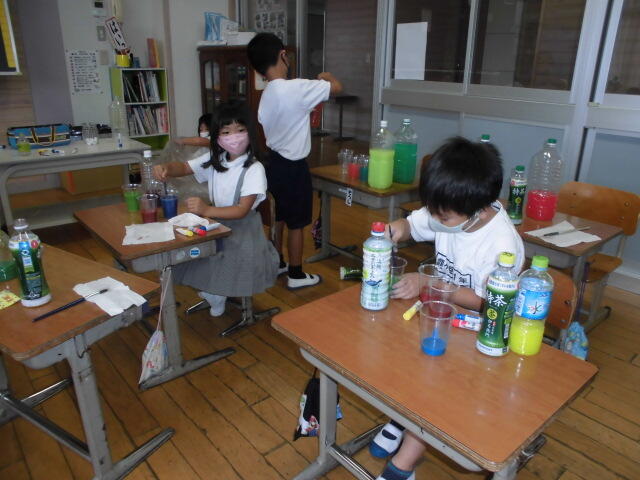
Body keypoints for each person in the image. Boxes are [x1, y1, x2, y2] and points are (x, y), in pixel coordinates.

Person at [372, 137, 525, 480]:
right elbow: (412, 225)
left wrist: (430, 283)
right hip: (438, 316)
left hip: (477, 333)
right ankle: (402, 418)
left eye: (443, 215)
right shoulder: (449, 209)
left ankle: (405, 462)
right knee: (405, 361)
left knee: (435, 390)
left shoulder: (501, 245)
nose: (435, 218)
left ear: (478, 207)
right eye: (433, 210)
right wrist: (392, 231)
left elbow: (488, 302)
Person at [152, 101, 278, 316]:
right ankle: (215, 292)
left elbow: (242, 210)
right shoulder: (216, 159)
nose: (234, 137)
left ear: (251, 132)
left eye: (240, 130)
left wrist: (206, 210)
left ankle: (217, 294)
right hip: (216, 224)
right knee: (190, 253)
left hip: (243, 231)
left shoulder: (254, 168)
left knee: (222, 259)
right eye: (226, 132)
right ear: (217, 137)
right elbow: (184, 167)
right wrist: (165, 168)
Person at [247, 32, 343, 289]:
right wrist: (326, 76)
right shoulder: (296, 88)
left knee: (279, 215)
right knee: (297, 223)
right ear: (282, 55)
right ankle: (296, 274)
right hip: (294, 167)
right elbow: (337, 87)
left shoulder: (266, 94)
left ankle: (278, 261)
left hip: (273, 163)